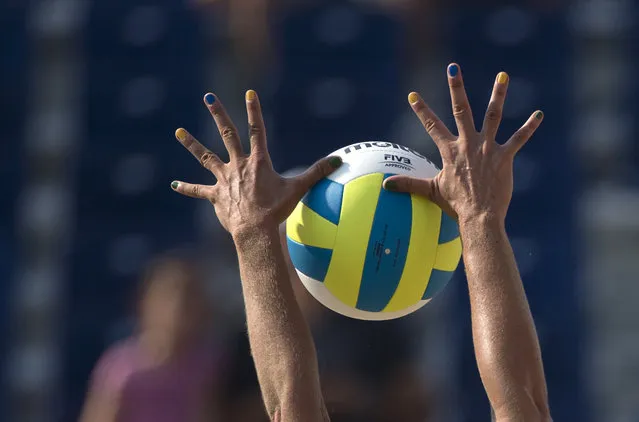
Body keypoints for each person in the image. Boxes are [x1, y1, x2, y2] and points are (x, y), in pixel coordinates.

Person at [170, 62, 551, 421]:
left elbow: (292, 410)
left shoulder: (375, 335)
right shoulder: (369, 321)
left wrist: (253, 234)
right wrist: (480, 218)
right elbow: (522, 406)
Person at [80, 254, 221, 422]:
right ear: (145, 302)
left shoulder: (211, 365)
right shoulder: (119, 366)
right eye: (168, 296)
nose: (177, 307)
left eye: (188, 298)